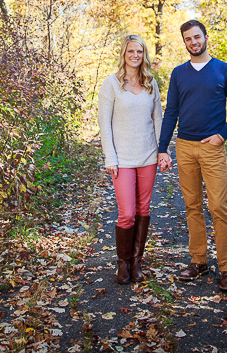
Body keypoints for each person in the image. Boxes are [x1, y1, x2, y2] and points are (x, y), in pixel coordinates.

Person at [156, 19, 227, 291]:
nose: (193, 42)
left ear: (206, 38)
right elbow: (171, 112)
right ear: (184, 42)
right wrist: (163, 148)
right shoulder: (178, 74)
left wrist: (222, 134)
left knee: (218, 206)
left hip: (212, 149)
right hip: (184, 146)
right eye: (188, 39)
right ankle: (199, 261)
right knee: (192, 206)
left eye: (197, 37)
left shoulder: (224, 70)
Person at [97, 34, 163, 284]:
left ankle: (136, 261)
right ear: (124, 54)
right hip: (122, 159)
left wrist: (162, 150)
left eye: (139, 51)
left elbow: (158, 119)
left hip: (147, 156)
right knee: (126, 213)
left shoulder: (151, 84)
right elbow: (104, 124)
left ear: (144, 54)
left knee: (143, 209)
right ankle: (122, 264)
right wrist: (110, 157)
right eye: (130, 51)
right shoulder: (110, 84)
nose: (135, 56)